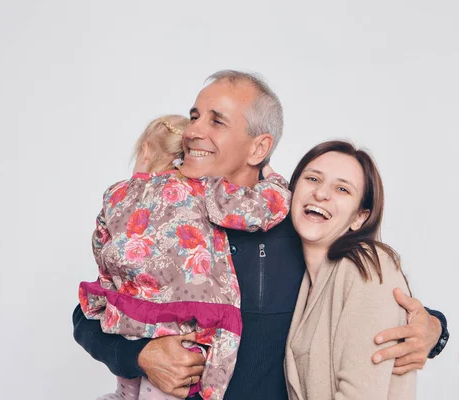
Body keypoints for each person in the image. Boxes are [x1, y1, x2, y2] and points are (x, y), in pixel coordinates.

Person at [73, 70, 449, 399]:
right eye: (194, 116)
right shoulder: (163, 214)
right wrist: (138, 356)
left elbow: (370, 300)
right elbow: (90, 311)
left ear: (258, 147)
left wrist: (433, 329)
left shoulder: (299, 222)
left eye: (216, 121)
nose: (193, 131)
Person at [80, 114, 291, 400]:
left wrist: (115, 291)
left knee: (131, 383)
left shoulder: (115, 194)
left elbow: (101, 248)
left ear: (145, 150)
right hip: (186, 315)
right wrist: (275, 182)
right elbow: (261, 208)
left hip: (130, 311)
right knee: (174, 376)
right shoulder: (206, 189)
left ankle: (123, 393)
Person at [285, 140, 416, 399]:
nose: (321, 194)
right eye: (312, 179)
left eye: (342, 189)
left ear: (359, 217)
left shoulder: (367, 265)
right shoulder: (307, 280)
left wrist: (437, 328)